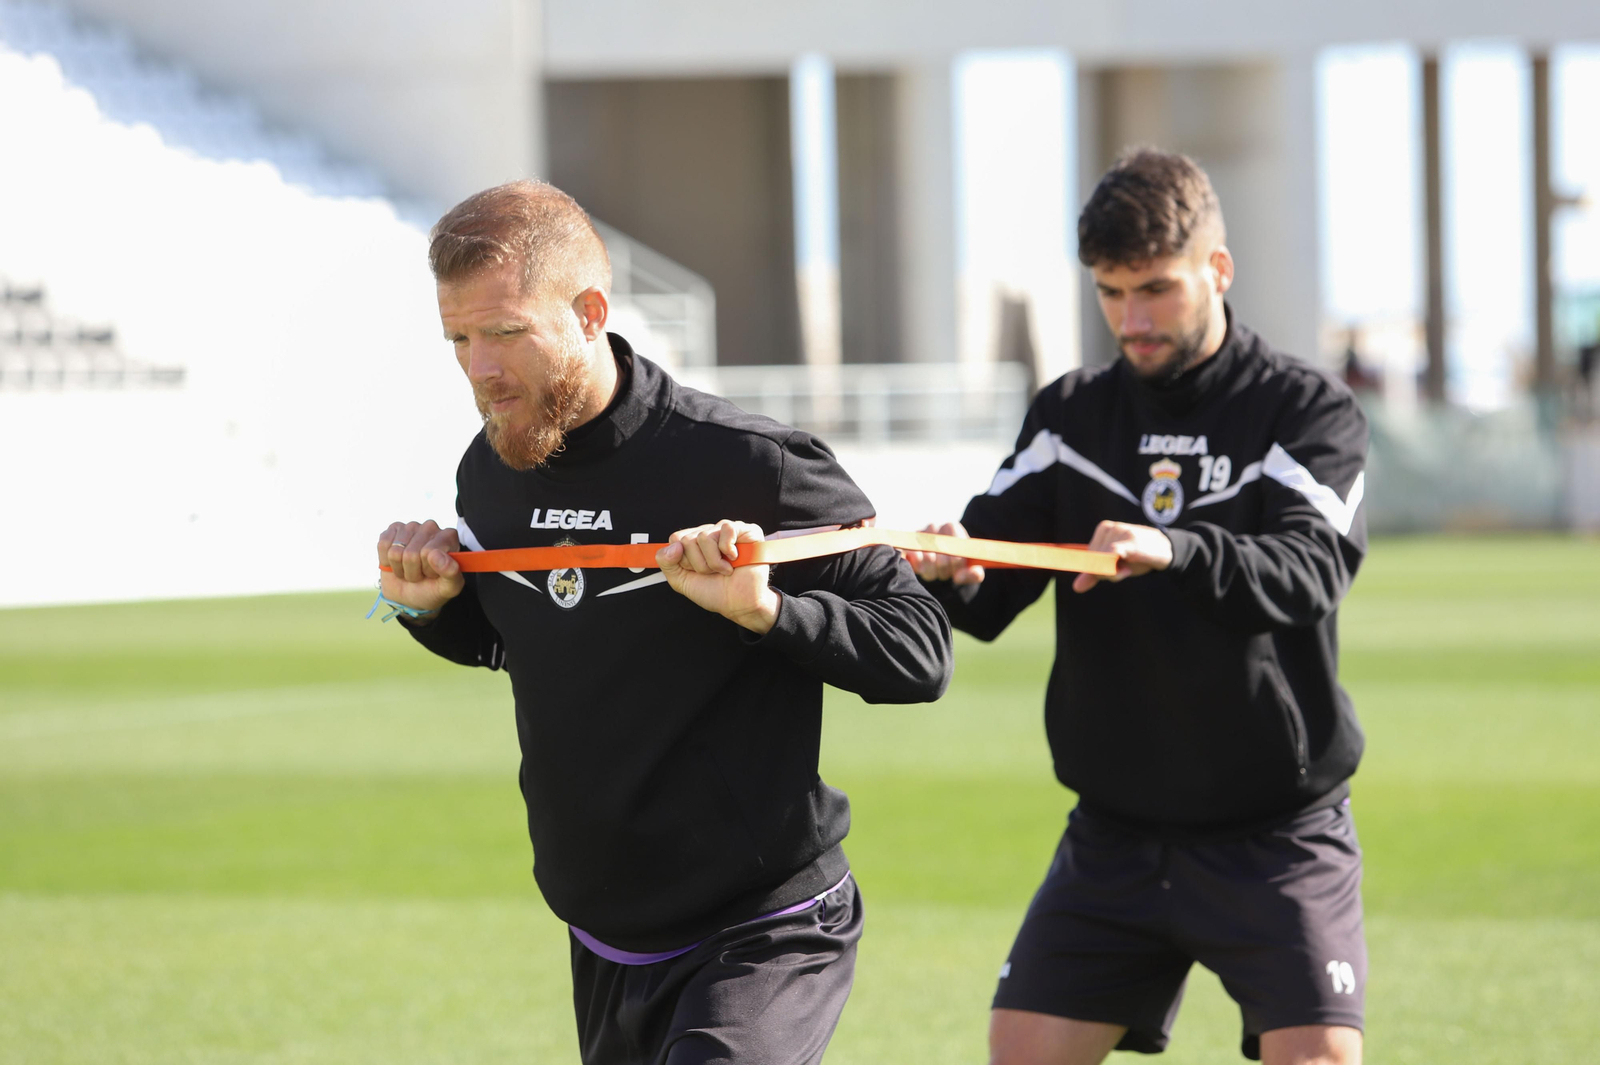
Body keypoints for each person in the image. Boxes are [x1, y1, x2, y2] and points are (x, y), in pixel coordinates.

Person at [377, 180, 952, 1065]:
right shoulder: (490, 473)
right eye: (458, 338)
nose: (479, 370)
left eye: (504, 332)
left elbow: (919, 651)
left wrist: (767, 609)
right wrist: (422, 608)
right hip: (605, 937)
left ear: (590, 312)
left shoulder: (755, 465)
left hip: (765, 924)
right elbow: (521, 637)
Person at [906, 149, 1369, 1065]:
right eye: (1112, 294)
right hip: (1115, 832)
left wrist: (1175, 548)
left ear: (1218, 271)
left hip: (1275, 830)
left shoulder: (1306, 412)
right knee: (1021, 1050)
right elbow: (994, 583)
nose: (1133, 319)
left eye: (1155, 289)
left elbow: (1309, 568)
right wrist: (947, 567)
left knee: (1319, 1058)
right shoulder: (1071, 416)